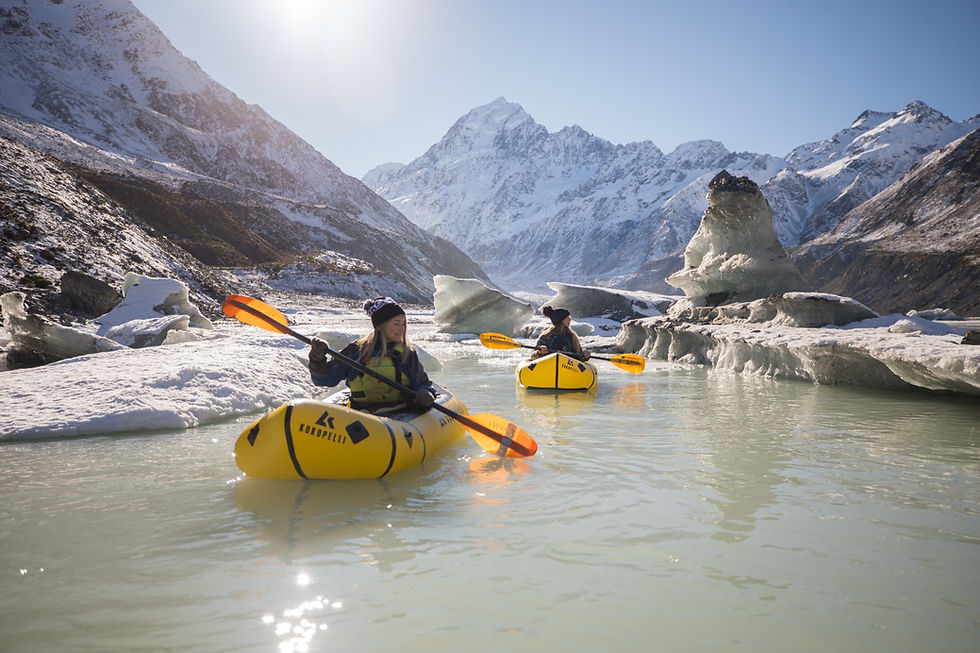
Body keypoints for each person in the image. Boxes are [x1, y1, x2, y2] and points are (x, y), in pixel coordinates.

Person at [308, 297, 437, 412]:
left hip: (400, 413)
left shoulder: (407, 353)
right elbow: (325, 379)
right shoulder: (356, 351)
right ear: (381, 326)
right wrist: (317, 359)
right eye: (396, 323)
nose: (402, 329)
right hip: (362, 415)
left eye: (403, 324)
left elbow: (422, 383)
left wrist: (425, 392)